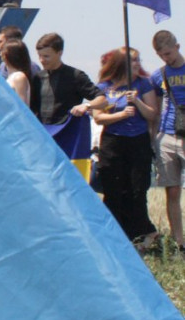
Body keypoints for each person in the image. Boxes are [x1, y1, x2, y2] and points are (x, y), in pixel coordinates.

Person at [91, 47, 160, 250]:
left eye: (138, 60)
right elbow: (98, 117)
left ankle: (141, 233)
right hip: (113, 142)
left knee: (137, 189)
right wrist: (120, 115)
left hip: (138, 141)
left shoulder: (143, 84)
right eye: (133, 61)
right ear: (122, 64)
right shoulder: (104, 87)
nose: (138, 64)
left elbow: (152, 114)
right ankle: (115, 236)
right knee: (113, 190)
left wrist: (136, 101)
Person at [151, 30, 185, 251]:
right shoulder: (158, 75)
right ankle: (179, 243)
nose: (166, 58)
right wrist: (153, 137)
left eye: (169, 53)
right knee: (172, 190)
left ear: (177, 47)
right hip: (167, 134)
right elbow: (155, 109)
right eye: (161, 55)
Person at [30, 32, 107, 125]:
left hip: (67, 129)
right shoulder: (38, 78)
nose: (42, 60)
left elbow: (103, 100)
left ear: (59, 53)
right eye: (40, 56)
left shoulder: (75, 76)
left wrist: (86, 105)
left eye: (46, 56)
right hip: (43, 130)